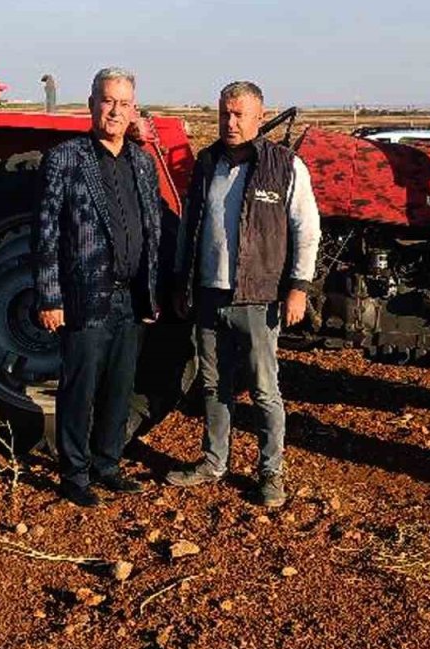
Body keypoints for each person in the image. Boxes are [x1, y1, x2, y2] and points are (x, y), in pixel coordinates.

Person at [167, 80, 321, 508]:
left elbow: (306, 230)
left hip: (257, 295)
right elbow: (189, 228)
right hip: (208, 294)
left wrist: (298, 288)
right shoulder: (206, 162)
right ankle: (214, 461)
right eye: (224, 114)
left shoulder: (284, 166)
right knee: (214, 385)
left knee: (264, 390)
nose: (230, 123)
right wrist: (182, 281)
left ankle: (271, 472)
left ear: (259, 115)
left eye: (238, 115)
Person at [32, 67, 162, 507]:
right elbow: (46, 233)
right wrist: (49, 296)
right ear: (91, 104)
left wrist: (153, 289)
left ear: (133, 110)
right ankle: (74, 473)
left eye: (124, 103)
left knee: (120, 387)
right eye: (108, 101)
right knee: (80, 387)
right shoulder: (66, 158)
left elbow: (153, 228)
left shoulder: (142, 162)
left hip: (130, 295)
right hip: (84, 294)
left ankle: (107, 464)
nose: (115, 110)